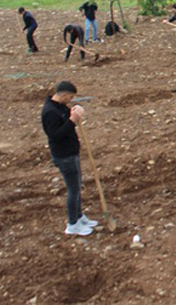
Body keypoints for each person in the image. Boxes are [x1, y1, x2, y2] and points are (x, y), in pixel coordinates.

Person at [41, 81, 99, 236]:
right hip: (64, 156)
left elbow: (66, 117)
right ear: (64, 94)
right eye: (71, 97)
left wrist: (73, 112)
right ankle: (72, 224)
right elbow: (56, 135)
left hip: (71, 153)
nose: (71, 100)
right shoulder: (50, 112)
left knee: (77, 187)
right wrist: (72, 119)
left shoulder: (59, 107)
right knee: (73, 190)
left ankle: (79, 217)